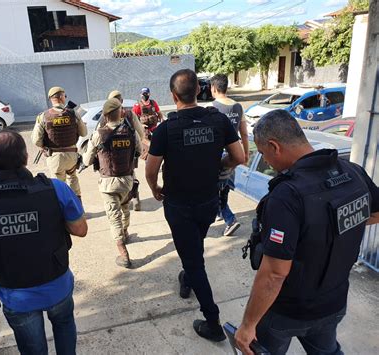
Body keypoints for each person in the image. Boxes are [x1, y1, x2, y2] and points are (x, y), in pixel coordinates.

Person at [235, 110, 379, 355]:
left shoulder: (286, 195)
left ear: (274, 146)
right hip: (333, 302)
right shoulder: (353, 172)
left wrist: (247, 325)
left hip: (288, 311)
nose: (267, 162)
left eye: (263, 154)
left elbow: (274, 274)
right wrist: (331, 225)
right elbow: (375, 212)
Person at [0, 130, 88, 355]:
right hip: (57, 285)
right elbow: (80, 229)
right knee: (64, 325)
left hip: (16, 296)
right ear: (25, 157)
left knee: (33, 349)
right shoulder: (56, 189)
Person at [145, 69, 244, 341]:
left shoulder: (167, 129)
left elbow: (150, 170)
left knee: (194, 260)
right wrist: (219, 166)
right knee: (194, 247)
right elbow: (239, 155)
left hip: (179, 205)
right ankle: (187, 278)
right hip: (209, 201)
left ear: (173, 95)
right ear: (198, 92)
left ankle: (213, 323)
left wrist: (155, 190)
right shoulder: (218, 120)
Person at [82, 98, 141, 268]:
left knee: (114, 217)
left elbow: (86, 161)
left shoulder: (98, 134)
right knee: (124, 208)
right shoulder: (131, 133)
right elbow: (138, 150)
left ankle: (123, 254)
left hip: (108, 184)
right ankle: (125, 232)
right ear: (121, 113)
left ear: (105, 116)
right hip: (127, 181)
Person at [210, 74, 250, 236]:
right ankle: (220, 211)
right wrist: (245, 154)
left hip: (217, 157)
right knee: (224, 187)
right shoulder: (238, 107)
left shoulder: (211, 108)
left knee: (213, 191)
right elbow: (245, 134)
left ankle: (230, 219)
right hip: (234, 154)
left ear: (213, 88)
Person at [32, 86, 87, 198]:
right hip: (72, 156)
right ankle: (78, 209)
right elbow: (84, 133)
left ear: (51, 99)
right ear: (62, 97)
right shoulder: (73, 114)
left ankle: (63, 212)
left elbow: (36, 140)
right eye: (64, 96)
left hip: (55, 157)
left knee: (59, 187)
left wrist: (43, 146)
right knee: (73, 179)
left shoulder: (43, 116)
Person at [107, 90, 144, 211]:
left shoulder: (105, 116)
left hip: (111, 154)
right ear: (121, 101)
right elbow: (140, 133)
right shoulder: (130, 114)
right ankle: (135, 199)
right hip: (129, 152)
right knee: (131, 173)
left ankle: (119, 202)